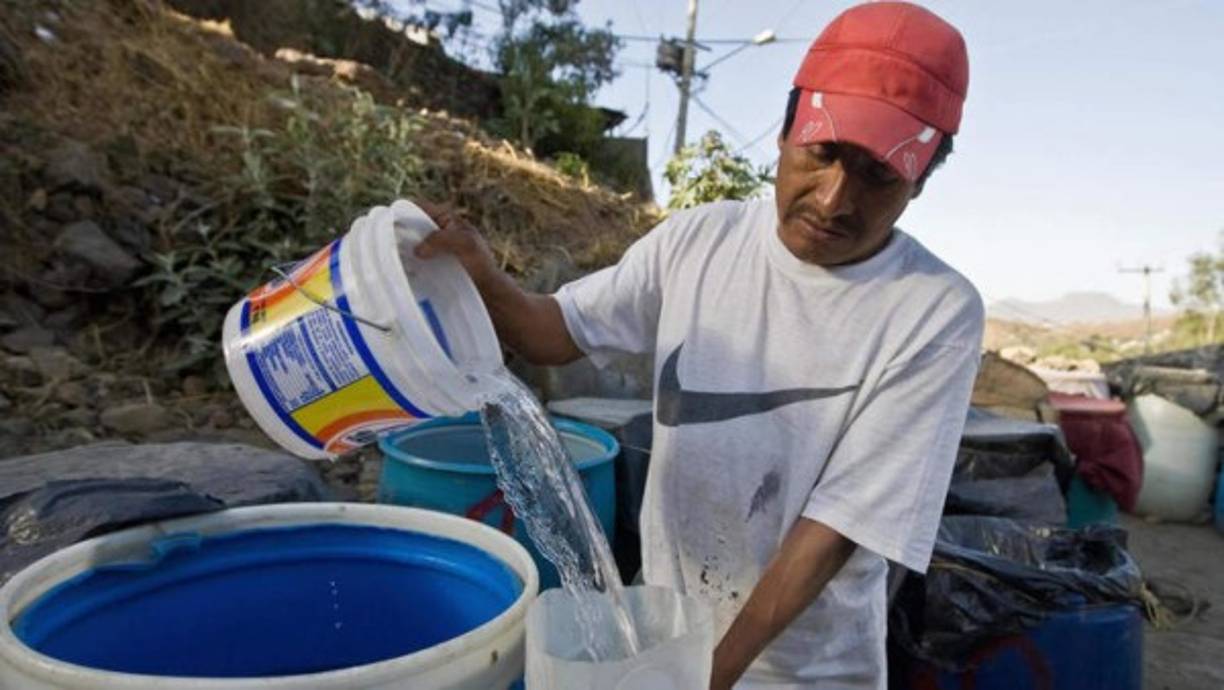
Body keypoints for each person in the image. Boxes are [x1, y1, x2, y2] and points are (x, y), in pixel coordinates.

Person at [415, 2, 982, 688]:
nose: (834, 200)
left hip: (799, 673)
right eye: (823, 153)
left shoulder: (931, 311)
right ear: (786, 131)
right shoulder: (701, 241)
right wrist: (481, 275)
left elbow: (834, 530)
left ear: (918, 183)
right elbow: (555, 333)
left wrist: (710, 675)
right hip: (662, 635)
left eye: (878, 176)